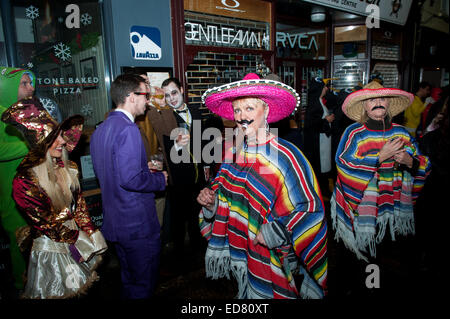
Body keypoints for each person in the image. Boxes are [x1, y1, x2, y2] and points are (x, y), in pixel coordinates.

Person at [197, 73, 328, 299]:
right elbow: (223, 193)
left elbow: (311, 209)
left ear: (266, 110)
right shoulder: (234, 152)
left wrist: (278, 230)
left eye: (249, 108)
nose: (241, 116)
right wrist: (211, 202)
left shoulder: (287, 156)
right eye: (237, 110)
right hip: (241, 254)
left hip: (272, 258)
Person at [2, 96, 107, 298]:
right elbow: (47, 224)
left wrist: (91, 232)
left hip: (77, 241)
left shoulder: (69, 168)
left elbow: (80, 207)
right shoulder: (25, 182)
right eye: (54, 138)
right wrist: (79, 239)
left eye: (61, 135)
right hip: (53, 250)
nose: (62, 141)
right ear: (41, 144)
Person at [331, 80, 431, 262]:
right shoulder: (354, 133)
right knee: (363, 258)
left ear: (389, 104)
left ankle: (377, 284)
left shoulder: (402, 133)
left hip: (393, 205)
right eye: (371, 100)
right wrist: (379, 157)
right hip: (362, 209)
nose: (378, 102)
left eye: (383, 98)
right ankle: (366, 285)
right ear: (365, 107)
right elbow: (343, 163)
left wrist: (411, 162)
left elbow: (425, 163)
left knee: (387, 254)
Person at [90, 74, 168, 299]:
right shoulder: (129, 129)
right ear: (131, 96)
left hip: (116, 225)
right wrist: (159, 179)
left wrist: (144, 169)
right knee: (143, 286)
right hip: (137, 226)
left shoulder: (100, 130)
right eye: (145, 94)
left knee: (129, 281)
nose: (148, 100)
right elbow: (130, 180)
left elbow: (113, 174)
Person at [161, 77, 209, 259]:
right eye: (167, 96)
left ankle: (199, 256)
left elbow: (203, 142)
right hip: (179, 178)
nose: (172, 98)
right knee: (178, 221)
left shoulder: (196, 112)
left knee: (197, 215)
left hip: (198, 176)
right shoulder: (166, 118)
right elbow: (166, 152)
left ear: (181, 90)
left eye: (174, 93)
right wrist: (178, 145)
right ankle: (179, 258)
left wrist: (206, 164)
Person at [0, 67, 35, 292]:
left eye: (30, 83)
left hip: (28, 190)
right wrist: (29, 145)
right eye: (24, 83)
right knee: (18, 245)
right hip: (11, 196)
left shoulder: (21, 113)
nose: (31, 88)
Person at [303, 77, 335, 198]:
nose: (326, 89)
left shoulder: (320, 101)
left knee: (324, 166)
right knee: (319, 167)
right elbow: (311, 125)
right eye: (324, 87)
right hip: (317, 144)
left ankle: (324, 189)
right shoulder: (314, 104)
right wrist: (326, 120)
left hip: (323, 142)